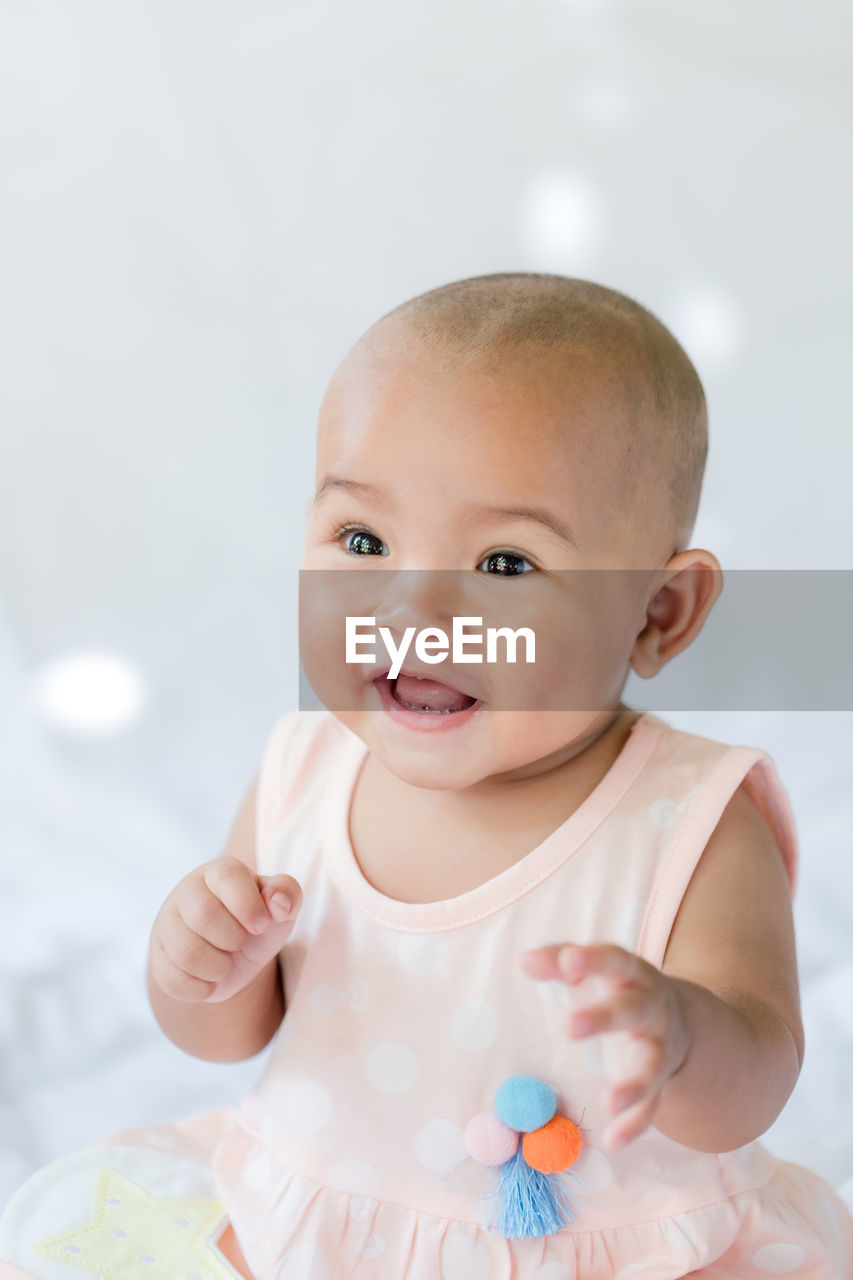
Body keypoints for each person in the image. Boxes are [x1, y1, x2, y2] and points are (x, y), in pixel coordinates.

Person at [2, 273, 851, 1279]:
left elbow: (755, 1072)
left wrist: (679, 1032)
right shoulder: (304, 769)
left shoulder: (686, 817)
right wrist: (199, 965)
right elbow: (233, 1030)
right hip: (315, 1227)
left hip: (599, 1253)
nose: (414, 610)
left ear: (656, 612)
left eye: (503, 563)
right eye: (363, 541)